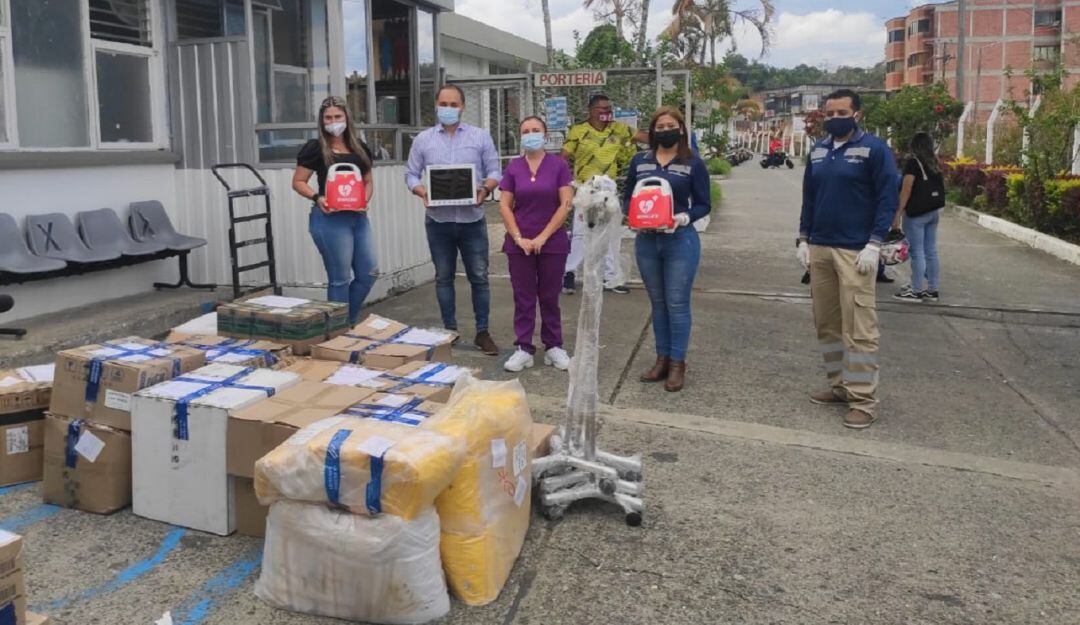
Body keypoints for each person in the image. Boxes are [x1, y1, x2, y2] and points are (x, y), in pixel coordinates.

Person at [797, 89, 898, 430]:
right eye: (830, 112)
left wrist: (875, 243)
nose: (835, 117)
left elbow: (887, 199)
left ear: (857, 114)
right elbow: (809, 198)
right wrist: (803, 238)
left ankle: (863, 400)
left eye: (842, 111)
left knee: (859, 328)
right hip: (821, 248)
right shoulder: (819, 151)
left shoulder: (875, 150)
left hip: (856, 251)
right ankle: (839, 386)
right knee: (826, 322)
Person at [405, 84, 503, 356]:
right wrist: (421, 190)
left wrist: (486, 188)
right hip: (438, 221)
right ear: (436, 105)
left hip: (472, 219)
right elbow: (411, 174)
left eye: (454, 104)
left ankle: (483, 332)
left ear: (462, 106)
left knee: (480, 278)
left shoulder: (480, 137)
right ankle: (450, 331)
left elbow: (496, 169)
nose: (448, 109)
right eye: (443, 104)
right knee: (443, 278)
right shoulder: (423, 140)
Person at [624, 107, 711, 393]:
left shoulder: (693, 163)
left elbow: (703, 203)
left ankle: (677, 363)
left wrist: (685, 217)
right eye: (659, 127)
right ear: (652, 131)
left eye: (670, 125)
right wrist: (632, 217)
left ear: (682, 129)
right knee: (657, 303)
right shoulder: (640, 161)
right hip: (647, 241)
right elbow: (628, 198)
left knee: (677, 303)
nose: (664, 130)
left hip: (680, 240)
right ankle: (661, 359)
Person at [498, 116, 574, 373]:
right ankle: (524, 348)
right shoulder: (513, 168)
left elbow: (565, 203)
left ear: (545, 134)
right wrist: (519, 238)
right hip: (519, 244)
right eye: (526, 131)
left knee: (550, 296)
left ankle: (554, 346)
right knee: (524, 297)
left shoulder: (559, 165)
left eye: (535, 130)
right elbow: (504, 205)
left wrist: (542, 237)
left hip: (552, 243)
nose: (530, 135)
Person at [292, 95, 376, 325]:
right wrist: (317, 197)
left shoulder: (360, 148)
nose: (333, 121)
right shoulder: (315, 148)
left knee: (368, 274)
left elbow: (368, 181)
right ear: (322, 121)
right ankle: (339, 331)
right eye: (328, 118)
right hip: (329, 220)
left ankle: (343, 323)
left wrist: (363, 201)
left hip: (358, 218)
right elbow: (298, 181)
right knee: (339, 279)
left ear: (347, 117)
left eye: (337, 116)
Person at [561, 94, 647, 296]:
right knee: (581, 233)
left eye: (609, 109)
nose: (606, 113)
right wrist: (566, 184)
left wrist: (668, 135)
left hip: (608, 189)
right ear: (590, 111)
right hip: (585, 189)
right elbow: (563, 157)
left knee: (610, 233)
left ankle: (610, 276)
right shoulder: (579, 131)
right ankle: (568, 273)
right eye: (602, 109)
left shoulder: (618, 129)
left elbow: (645, 137)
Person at [891, 132, 944, 302]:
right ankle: (932, 289)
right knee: (930, 251)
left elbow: (906, 190)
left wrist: (897, 214)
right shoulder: (934, 162)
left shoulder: (913, 163)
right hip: (932, 212)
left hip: (916, 214)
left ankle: (915, 290)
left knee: (917, 252)